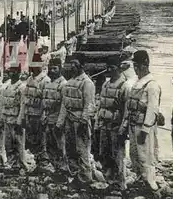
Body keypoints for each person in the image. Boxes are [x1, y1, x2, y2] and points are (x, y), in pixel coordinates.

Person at [122, 50, 162, 191]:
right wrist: (125, 124)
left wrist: (145, 129)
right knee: (134, 153)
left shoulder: (152, 85)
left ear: (145, 64)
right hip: (133, 124)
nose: (135, 68)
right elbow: (129, 107)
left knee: (146, 154)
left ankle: (150, 183)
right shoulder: (136, 83)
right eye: (134, 65)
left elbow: (152, 109)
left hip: (143, 126)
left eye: (137, 66)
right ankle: (139, 176)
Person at [56, 58, 95, 188]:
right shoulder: (69, 83)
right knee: (70, 148)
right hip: (69, 119)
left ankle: (85, 177)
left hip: (79, 120)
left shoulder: (87, 83)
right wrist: (60, 122)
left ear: (82, 65)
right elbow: (64, 104)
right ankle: (74, 173)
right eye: (71, 64)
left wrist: (84, 121)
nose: (72, 67)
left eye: (75, 64)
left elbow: (89, 105)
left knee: (82, 149)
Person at [96, 56, 133, 190]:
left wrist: (123, 129)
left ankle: (120, 183)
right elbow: (100, 105)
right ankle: (109, 179)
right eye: (108, 67)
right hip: (104, 125)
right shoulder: (105, 84)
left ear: (118, 69)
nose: (109, 70)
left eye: (112, 67)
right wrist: (97, 123)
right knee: (104, 153)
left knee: (118, 155)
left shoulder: (125, 87)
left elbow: (128, 111)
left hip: (116, 126)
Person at [0, 65, 29, 171]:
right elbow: (2, 104)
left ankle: (21, 165)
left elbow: (23, 106)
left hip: (17, 119)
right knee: (8, 143)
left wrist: (20, 121)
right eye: (10, 72)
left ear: (19, 73)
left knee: (19, 143)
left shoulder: (22, 87)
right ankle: (12, 164)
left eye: (14, 72)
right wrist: (1, 118)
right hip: (7, 118)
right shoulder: (6, 86)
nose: (11, 74)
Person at [42, 58, 68, 173]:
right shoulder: (47, 83)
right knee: (49, 145)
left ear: (60, 69)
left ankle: (63, 168)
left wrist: (60, 122)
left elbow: (64, 106)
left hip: (58, 119)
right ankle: (55, 167)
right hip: (48, 118)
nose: (52, 71)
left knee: (60, 145)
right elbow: (44, 101)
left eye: (54, 68)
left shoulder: (63, 84)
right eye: (50, 68)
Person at [23, 57, 50, 158]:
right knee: (30, 138)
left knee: (40, 138)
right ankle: (35, 159)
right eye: (32, 65)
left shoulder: (45, 80)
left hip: (39, 114)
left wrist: (43, 115)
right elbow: (25, 96)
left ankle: (43, 160)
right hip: (29, 113)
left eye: (36, 65)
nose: (34, 68)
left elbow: (45, 100)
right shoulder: (30, 79)